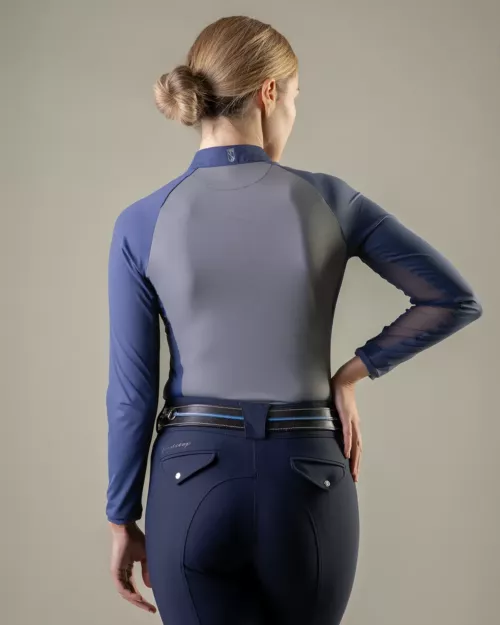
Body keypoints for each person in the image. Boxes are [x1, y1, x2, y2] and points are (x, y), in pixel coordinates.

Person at [105, 15, 483, 625]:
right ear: (269, 92)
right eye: (296, 98)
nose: (293, 114)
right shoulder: (329, 200)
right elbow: (451, 299)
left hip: (189, 479)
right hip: (308, 474)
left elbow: (132, 394)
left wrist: (121, 515)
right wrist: (351, 375)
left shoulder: (142, 221)